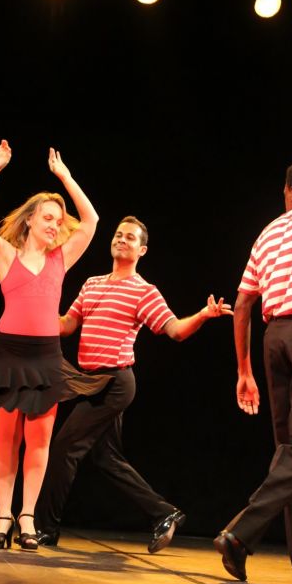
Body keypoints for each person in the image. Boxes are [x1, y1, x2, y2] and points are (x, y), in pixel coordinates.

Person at [0, 140, 111, 550]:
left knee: (39, 441)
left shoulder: (61, 259)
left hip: (45, 359)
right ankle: (2, 519)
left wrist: (65, 178)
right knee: (5, 440)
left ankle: (27, 519)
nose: (55, 224)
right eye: (48, 217)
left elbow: (92, 220)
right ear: (30, 220)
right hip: (8, 356)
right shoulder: (5, 255)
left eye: (58, 219)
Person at [34, 215, 233, 549]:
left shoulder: (144, 291)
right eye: (118, 235)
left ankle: (45, 529)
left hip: (115, 383)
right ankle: (164, 513)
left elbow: (174, 330)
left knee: (65, 448)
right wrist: (36, 307)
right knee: (105, 459)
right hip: (89, 380)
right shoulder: (92, 284)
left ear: (142, 249)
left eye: (129, 237)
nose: (121, 240)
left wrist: (202, 315)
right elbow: (67, 324)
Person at [213, 160, 292, 584]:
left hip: (276, 340)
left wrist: (243, 370)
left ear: (291, 192)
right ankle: (241, 533)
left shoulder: (268, 232)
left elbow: (243, 304)